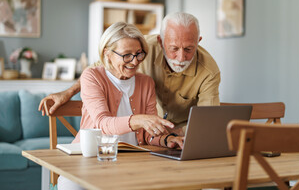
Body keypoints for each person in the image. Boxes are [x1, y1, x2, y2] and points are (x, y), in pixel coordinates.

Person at [39, 12, 221, 134]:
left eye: (189, 49)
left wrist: (174, 134)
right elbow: (99, 67)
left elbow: (208, 120)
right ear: (160, 41)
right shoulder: (141, 48)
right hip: (145, 130)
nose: (181, 57)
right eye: (173, 48)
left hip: (180, 132)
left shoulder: (209, 71)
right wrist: (69, 92)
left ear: (199, 41)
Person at [57, 22, 183, 190]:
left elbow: (148, 136)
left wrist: (168, 139)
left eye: (139, 54)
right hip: (87, 160)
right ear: (107, 53)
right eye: (126, 55)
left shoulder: (146, 83)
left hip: (131, 165)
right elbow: (103, 123)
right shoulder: (92, 77)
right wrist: (139, 120)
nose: (134, 61)